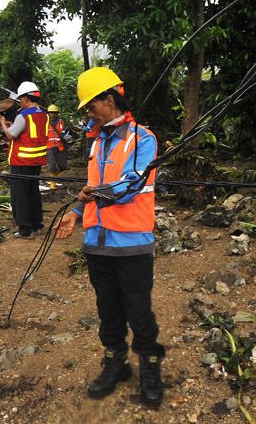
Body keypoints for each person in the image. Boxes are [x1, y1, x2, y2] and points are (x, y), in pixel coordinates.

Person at [55, 67, 164, 405]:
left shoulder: (142, 139)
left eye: (92, 106)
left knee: (139, 310)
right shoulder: (97, 140)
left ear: (109, 99)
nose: (89, 113)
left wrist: (90, 195)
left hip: (131, 243)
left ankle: (149, 365)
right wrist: (75, 213)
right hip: (97, 243)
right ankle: (115, 362)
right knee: (107, 308)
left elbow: (132, 187)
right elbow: (91, 189)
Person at [0, 81, 49, 239]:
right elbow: (28, 131)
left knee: (20, 196)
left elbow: (11, 135)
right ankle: (37, 224)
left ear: (26, 98)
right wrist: (12, 125)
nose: (20, 101)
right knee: (33, 192)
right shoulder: (43, 114)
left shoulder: (23, 115)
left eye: (21, 98)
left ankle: (26, 230)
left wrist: (2, 124)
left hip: (21, 161)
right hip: (36, 160)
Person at [45, 104, 70, 189]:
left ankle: (54, 177)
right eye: (51, 113)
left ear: (57, 113)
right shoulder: (45, 122)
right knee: (52, 166)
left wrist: (66, 135)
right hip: (49, 147)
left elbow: (66, 130)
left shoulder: (62, 121)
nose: (53, 114)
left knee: (63, 166)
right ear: (48, 113)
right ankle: (52, 183)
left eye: (55, 113)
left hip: (61, 146)